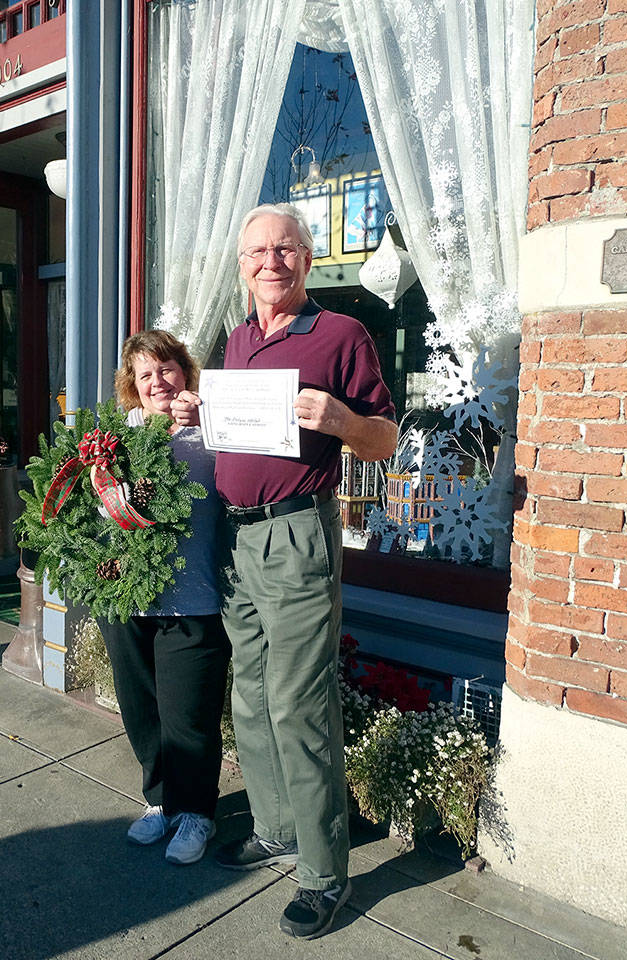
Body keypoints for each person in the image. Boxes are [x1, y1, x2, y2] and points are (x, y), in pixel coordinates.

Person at [171, 203, 396, 939]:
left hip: (297, 535)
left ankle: (325, 874)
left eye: (284, 249)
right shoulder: (236, 340)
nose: (270, 261)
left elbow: (384, 440)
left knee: (300, 704)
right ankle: (277, 826)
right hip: (235, 541)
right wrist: (193, 413)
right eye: (256, 252)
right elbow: (236, 433)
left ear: (306, 258)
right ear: (243, 266)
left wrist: (342, 422)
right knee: (252, 695)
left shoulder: (341, 335)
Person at [97, 329, 231, 866]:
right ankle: (160, 801)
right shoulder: (117, 435)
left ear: (185, 370)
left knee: (189, 714)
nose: (158, 382)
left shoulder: (210, 428)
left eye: (166, 368)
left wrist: (208, 418)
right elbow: (94, 504)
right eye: (145, 374)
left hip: (193, 595)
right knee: (141, 706)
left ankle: (196, 810)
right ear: (132, 385)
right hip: (127, 596)